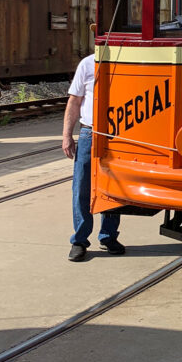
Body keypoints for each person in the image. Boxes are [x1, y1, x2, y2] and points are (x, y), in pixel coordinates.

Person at [62, 54, 123, 262]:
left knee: (114, 187)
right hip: (90, 132)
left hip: (119, 132)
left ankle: (108, 236)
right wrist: (67, 135)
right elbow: (75, 100)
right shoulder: (87, 63)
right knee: (82, 187)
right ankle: (79, 240)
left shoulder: (128, 59)